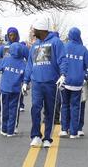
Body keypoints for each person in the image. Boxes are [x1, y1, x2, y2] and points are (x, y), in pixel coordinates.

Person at [24, 18, 64, 148]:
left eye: (34, 29)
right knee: (35, 108)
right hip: (37, 83)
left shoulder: (56, 42)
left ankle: (47, 137)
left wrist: (63, 74)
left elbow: (62, 59)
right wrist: (25, 81)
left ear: (40, 29)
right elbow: (30, 64)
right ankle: (36, 135)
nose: (33, 31)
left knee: (49, 111)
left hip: (51, 82)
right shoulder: (35, 45)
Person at [58, 27, 88, 138]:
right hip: (78, 83)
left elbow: (57, 62)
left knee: (64, 105)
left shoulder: (64, 48)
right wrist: (87, 76)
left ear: (69, 35)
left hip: (64, 81)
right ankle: (74, 132)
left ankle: (64, 129)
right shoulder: (84, 50)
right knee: (75, 107)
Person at [0, 42, 27, 136]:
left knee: (4, 110)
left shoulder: (5, 60)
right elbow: (26, 77)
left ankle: (4, 129)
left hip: (4, 89)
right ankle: (11, 131)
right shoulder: (24, 63)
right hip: (16, 90)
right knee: (14, 111)